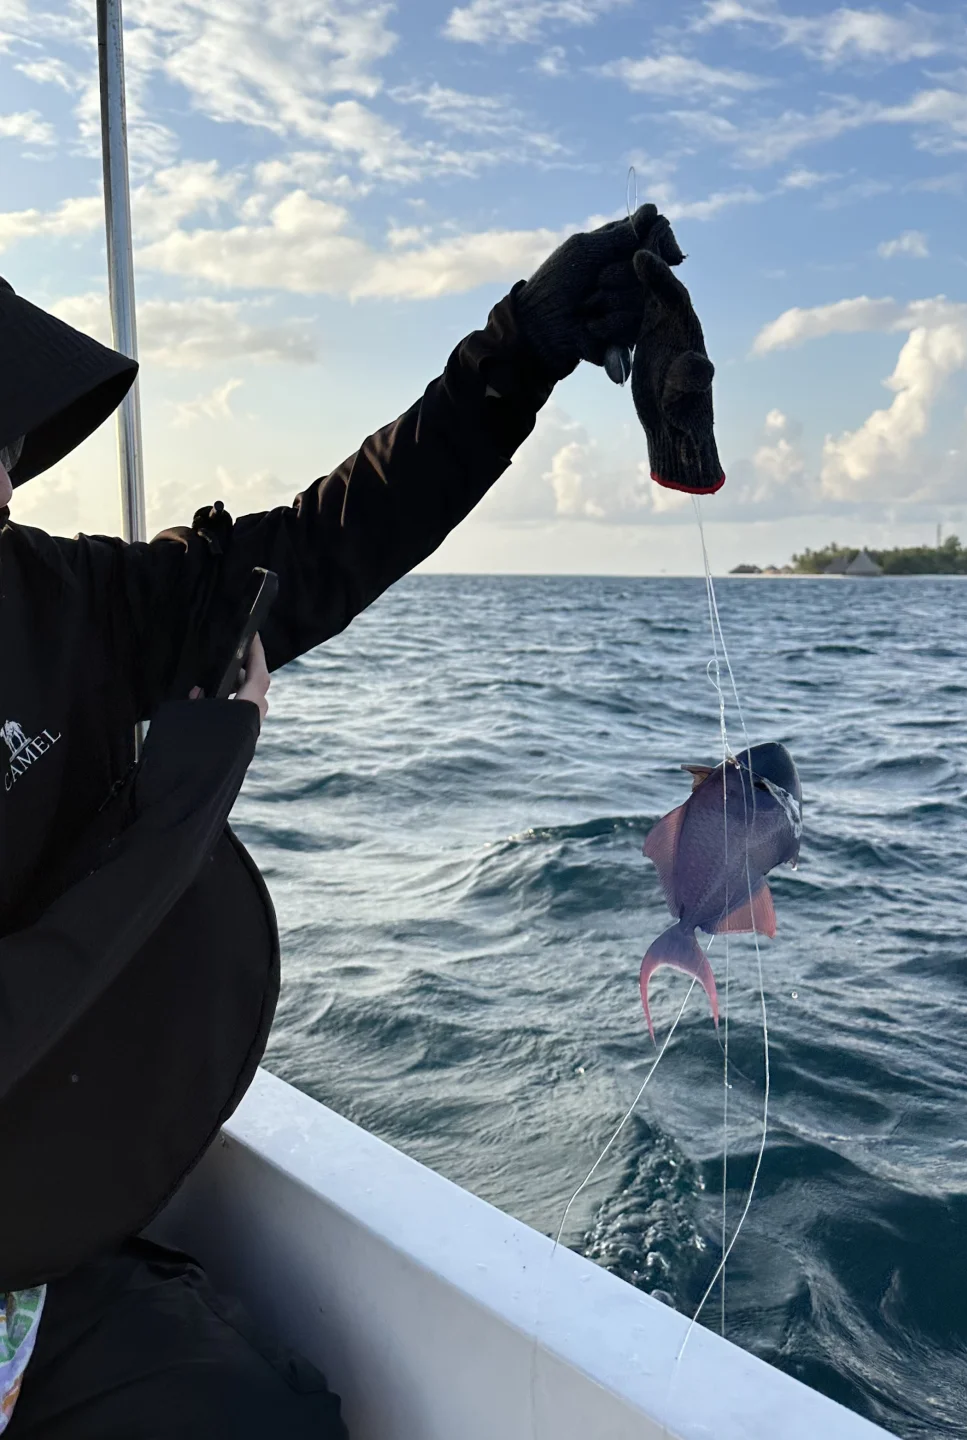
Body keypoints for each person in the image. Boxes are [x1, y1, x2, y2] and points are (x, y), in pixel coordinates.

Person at [0, 203, 684, 1438]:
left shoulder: (55, 600)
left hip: (30, 1236)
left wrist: (514, 357)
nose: (9, 468)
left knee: (273, 1419)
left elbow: (314, 550)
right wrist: (186, 792)